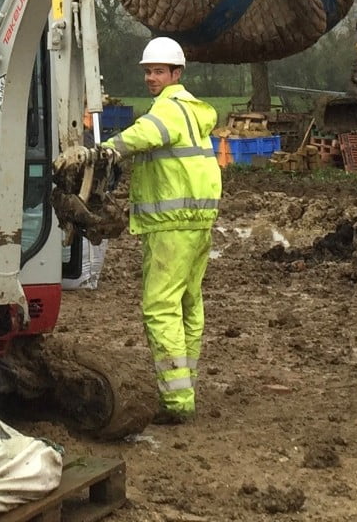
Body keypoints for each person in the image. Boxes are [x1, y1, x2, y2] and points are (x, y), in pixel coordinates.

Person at [99, 36, 221, 424]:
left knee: (160, 307)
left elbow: (140, 136)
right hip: (198, 220)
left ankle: (176, 400)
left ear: (176, 73)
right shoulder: (193, 111)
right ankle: (186, 386)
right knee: (188, 304)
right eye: (148, 71)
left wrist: (101, 152)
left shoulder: (167, 110)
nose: (151, 78)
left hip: (172, 225)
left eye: (158, 71)